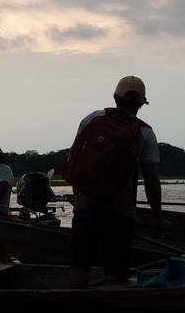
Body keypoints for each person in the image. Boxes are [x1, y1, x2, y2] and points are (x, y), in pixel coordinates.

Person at [68, 76, 170, 288]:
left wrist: (79, 196)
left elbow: (75, 159)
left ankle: (75, 309)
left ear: (115, 97)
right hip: (120, 210)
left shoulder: (91, 119)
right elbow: (151, 181)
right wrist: (159, 218)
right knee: (114, 270)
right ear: (142, 103)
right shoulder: (145, 133)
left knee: (79, 265)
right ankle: (109, 312)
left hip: (86, 203)